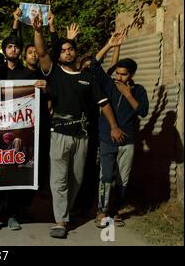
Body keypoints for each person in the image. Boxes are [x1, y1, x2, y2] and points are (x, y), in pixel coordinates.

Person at [34, 18, 126, 239]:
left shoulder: (88, 78)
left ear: (75, 53)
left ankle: (67, 211)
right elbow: (42, 52)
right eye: (63, 50)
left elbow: (103, 103)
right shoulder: (54, 73)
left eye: (70, 49)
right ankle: (60, 221)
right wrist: (38, 31)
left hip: (82, 137)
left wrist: (114, 126)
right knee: (59, 180)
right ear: (59, 56)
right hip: (59, 135)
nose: (67, 52)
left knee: (76, 178)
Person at [92, 31, 149, 228]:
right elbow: (93, 64)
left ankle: (115, 211)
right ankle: (101, 211)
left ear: (131, 75)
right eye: (117, 73)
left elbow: (142, 111)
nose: (119, 76)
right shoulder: (108, 84)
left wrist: (128, 94)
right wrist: (110, 45)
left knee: (122, 180)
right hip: (107, 139)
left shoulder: (138, 90)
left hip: (128, 141)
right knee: (106, 177)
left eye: (123, 74)